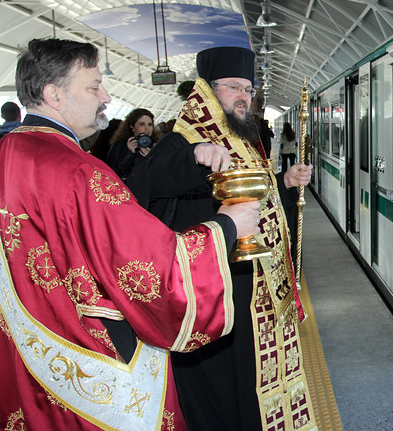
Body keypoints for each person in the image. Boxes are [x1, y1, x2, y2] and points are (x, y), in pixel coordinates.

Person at [0, 38, 260, 430]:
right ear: (54, 95)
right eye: (93, 86)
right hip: (87, 357)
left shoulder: (10, 151)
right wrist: (226, 227)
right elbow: (149, 266)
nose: (105, 96)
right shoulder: (77, 172)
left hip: (30, 351)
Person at [127, 46, 316, 431]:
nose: (244, 96)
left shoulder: (243, 140)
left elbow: (255, 202)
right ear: (207, 91)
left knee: (252, 384)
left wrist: (283, 182)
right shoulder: (181, 141)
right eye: (233, 87)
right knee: (224, 393)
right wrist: (196, 154)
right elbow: (146, 183)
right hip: (217, 299)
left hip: (255, 289)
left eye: (249, 88)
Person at [106, 108, 155, 180]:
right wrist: (129, 154)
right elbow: (111, 172)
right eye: (142, 124)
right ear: (132, 127)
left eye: (150, 124)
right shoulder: (120, 144)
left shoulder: (157, 146)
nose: (147, 128)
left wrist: (151, 159)